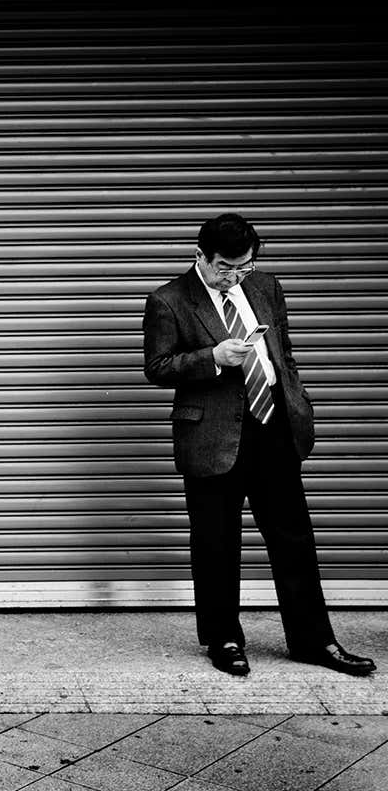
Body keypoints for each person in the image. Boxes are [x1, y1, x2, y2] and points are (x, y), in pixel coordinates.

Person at [142, 213, 375, 677]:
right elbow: (157, 366)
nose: (234, 277)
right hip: (212, 436)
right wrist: (212, 357)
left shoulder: (265, 286)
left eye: (243, 266)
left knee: (294, 539)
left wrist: (298, 401)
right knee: (216, 542)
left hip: (273, 427)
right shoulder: (169, 300)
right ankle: (223, 639)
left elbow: (283, 353)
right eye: (225, 268)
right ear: (200, 256)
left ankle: (314, 641)